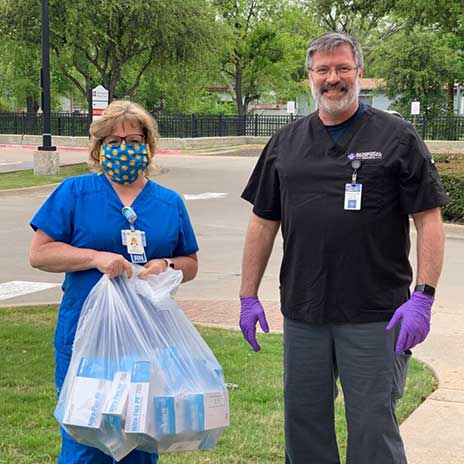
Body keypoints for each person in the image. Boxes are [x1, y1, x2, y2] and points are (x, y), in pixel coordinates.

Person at [239, 31, 448, 464]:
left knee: (373, 428)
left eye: (342, 68)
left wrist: (423, 298)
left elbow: (428, 220)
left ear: (359, 73)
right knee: (305, 425)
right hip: (304, 311)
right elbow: (262, 222)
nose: (333, 78)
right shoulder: (285, 143)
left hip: (376, 314)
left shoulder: (397, 137)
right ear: (309, 77)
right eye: (323, 70)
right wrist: (247, 295)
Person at [29, 100, 199, 464]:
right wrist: (94, 257)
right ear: (99, 148)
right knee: (87, 437)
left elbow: (191, 262)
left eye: (133, 139)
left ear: (148, 144)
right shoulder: (74, 193)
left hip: (147, 340)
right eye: (113, 140)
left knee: (140, 435)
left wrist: (166, 263)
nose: (124, 147)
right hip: (88, 338)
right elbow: (40, 254)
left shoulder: (169, 203)